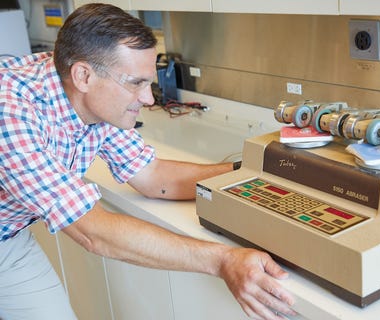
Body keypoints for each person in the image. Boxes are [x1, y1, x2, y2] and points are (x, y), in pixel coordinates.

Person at [0, 3, 296, 320]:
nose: (149, 99)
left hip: (9, 238)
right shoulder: (11, 107)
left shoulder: (92, 99)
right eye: (136, 83)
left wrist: (253, 171)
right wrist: (222, 260)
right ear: (83, 75)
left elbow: (154, 177)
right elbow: (93, 232)